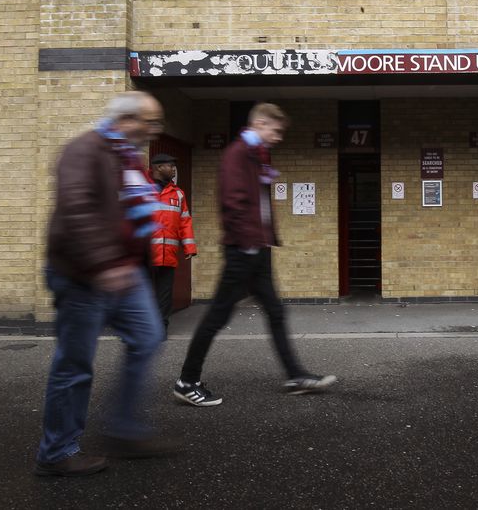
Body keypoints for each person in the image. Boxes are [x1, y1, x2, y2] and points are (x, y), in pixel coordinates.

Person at [35, 92, 183, 477]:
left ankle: (124, 430)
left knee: (149, 337)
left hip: (124, 270)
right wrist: (104, 264)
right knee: (75, 364)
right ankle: (56, 452)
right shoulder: (85, 150)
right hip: (85, 273)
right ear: (127, 119)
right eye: (149, 123)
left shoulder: (128, 156)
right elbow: (76, 207)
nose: (153, 131)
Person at [174, 103, 337, 407]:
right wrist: (248, 244)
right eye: (275, 131)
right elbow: (232, 203)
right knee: (216, 317)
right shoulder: (238, 154)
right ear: (260, 124)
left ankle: (295, 375)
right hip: (243, 250)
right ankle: (187, 381)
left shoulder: (257, 156)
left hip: (257, 250)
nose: (278, 137)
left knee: (275, 312)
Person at [148, 152, 197, 331]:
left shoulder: (178, 194)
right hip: (144, 253)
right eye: (170, 166)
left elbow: (185, 221)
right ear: (159, 168)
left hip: (167, 253)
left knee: (164, 294)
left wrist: (189, 247)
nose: (173, 170)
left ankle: (161, 327)